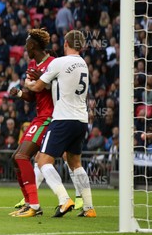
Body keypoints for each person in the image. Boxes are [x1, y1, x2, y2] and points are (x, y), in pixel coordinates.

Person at [26, 30, 96, 218]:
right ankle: (89, 207)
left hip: (63, 119)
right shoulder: (83, 64)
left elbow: (38, 87)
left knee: (42, 161)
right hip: (81, 120)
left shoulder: (59, 62)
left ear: (66, 44)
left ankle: (64, 199)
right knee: (75, 163)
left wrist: (27, 83)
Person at [7, 29, 54, 217]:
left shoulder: (53, 63)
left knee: (22, 157)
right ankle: (29, 203)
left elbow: (51, 87)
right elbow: (32, 96)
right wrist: (19, 93)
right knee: (16, 159)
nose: (24, 47)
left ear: (33, 45)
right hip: (39, 116)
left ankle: (34, 205)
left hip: (50, 117)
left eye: (26, 43)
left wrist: (38, 81)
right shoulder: (33, 64)